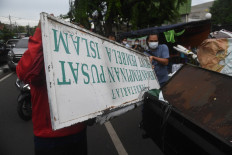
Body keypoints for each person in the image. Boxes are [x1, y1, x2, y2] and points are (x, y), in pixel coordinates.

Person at [16, 20, 87, 155]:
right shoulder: (44, 56)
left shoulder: (82, 60)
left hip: (79, 130)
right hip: (50, 138)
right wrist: (42, 29)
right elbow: (25, 73)